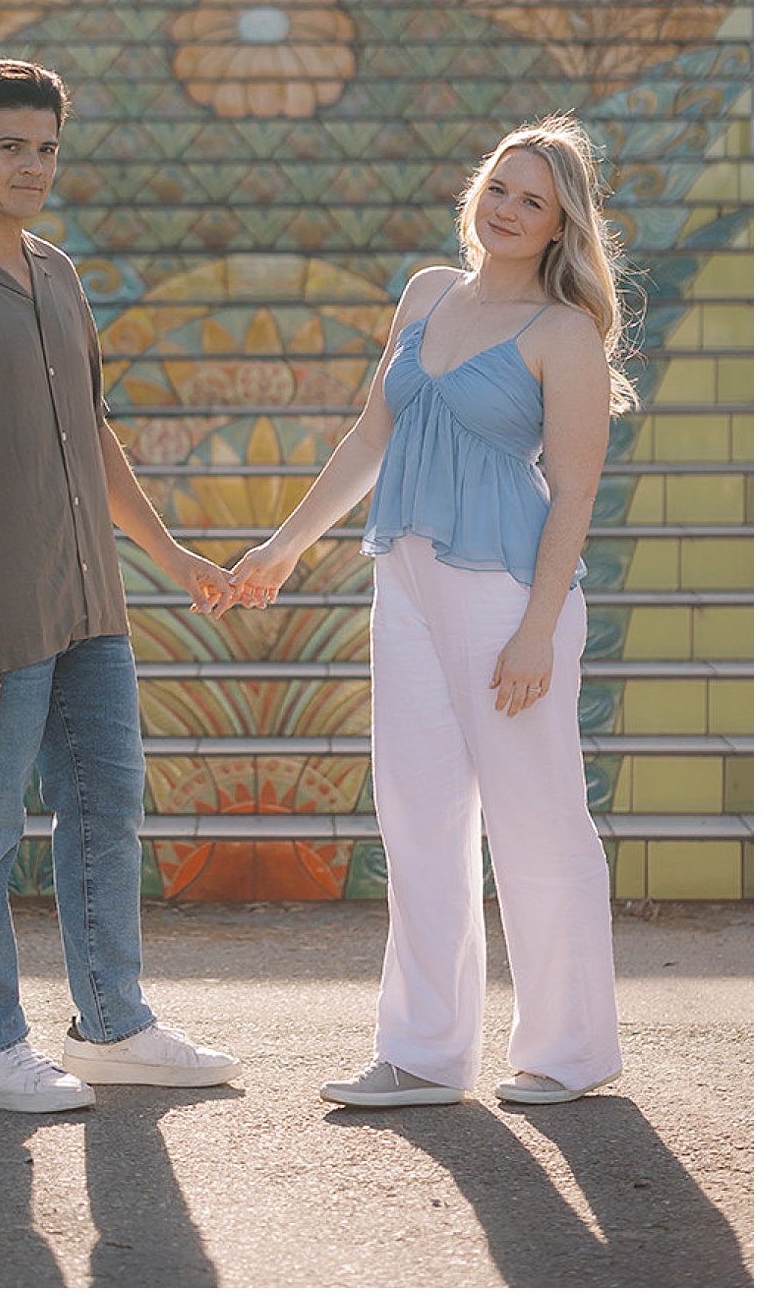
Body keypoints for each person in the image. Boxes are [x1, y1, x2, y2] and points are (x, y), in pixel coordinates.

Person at [229, 114, 633, 1109]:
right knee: (417, 814)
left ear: (559, 225)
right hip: (401, 577)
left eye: (532, 199)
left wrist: (538, 626)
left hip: (508, 594)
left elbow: (575, 493)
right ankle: (421, 1051)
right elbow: (374, 433)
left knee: (538, 820)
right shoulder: (426, 293)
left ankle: (569, 1051)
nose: (506, 208)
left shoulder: (563, 332)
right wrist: (283, 544)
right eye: (500, 185)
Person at [0, 57, 240, 1113]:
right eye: (10, 146)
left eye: (45, 147)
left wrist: (172, 558)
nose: (32, 165)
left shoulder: (60, 274)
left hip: (89, 606)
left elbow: (94, 437)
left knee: (106, 806)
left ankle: (113, 1024)